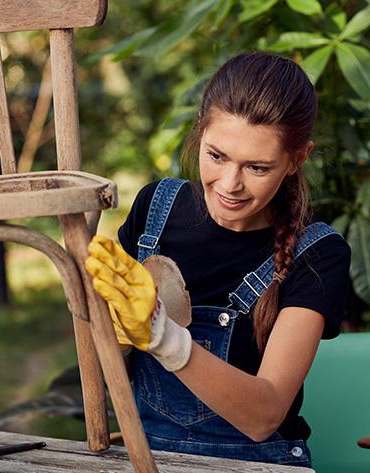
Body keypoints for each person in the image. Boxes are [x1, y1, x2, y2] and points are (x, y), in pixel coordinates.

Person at [84, 52, 351, 467]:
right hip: (147, 456)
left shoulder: (318, 255)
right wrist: (104, 325)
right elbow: (103, 369)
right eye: (217, 156)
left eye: (258, 167)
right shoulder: (157, 207)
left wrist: (163, 338)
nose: (230, 185)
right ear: (200, 133)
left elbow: (265, 415)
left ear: (297, 159)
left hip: (257, 463)